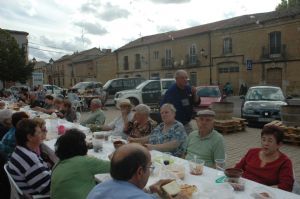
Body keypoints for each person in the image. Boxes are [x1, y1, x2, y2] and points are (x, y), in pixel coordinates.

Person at [87, 143, 187, 199]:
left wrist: (150, 190)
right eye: (149, 167)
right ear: (139, 172)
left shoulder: (98, 188)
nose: (149, 171)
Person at [51, 129, 110, 199]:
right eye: (85, 142)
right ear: (81, 146)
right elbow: (116, 166)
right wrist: (115, 155)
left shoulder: (58, 163)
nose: (87, 144)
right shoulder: (86, 162)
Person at [235, 125, 294, 191]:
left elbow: (287, 186)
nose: (265, 143)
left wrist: (264, 190)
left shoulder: (284, 162)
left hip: (264, 194)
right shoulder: (252, 152)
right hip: (242, 188)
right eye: (263, 139)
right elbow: (237, 169)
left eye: (270, 141)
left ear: (279, 144)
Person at [7, 119, 51, 195]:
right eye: (39, 132)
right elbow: (47, 189)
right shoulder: (29, 159)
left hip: (31, 186)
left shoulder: (20, 150)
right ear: (30, 137)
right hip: (39, 195)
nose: (42, 134)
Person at [161, 70, 198, 134]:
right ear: (176, 79)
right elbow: (165, 108)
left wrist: (195, 93)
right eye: (183, 78)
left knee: (190, 139)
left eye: (186, 78)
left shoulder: (188, 88)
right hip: (175, 124)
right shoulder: (171, 92)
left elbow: (197, 102)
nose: (185, 80)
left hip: (186, 122)